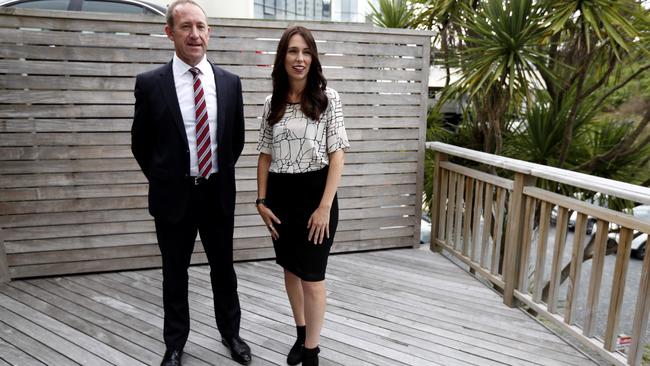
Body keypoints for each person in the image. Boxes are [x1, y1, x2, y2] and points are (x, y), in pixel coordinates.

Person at [130, 1, 251, 365]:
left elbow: (236, 140)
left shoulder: (230, 83)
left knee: (223, 270)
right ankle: (175, 344)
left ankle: (232, 335)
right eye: (186, 27)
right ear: (170, 32)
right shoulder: (150, 83)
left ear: (209, 31)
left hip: (216, 194)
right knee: (174, 274)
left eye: (201, 26)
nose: (195, 34)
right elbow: (141, 144)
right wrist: (167, 178)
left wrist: (214, 173)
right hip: (173, 197)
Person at [256, 26, 350, 366]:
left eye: (306, 52)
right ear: (282, 58)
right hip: (281, 197)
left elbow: (338, 153)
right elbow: (264, 154)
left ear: (313, 57)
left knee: (312, 277)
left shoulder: (329, 98)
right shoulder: (272, 103)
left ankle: (312, 352)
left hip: (316, 196)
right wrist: (261, 201)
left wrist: (324, 207)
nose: (299, 58)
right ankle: (301, 332)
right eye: (293, 51)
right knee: (290, 270)